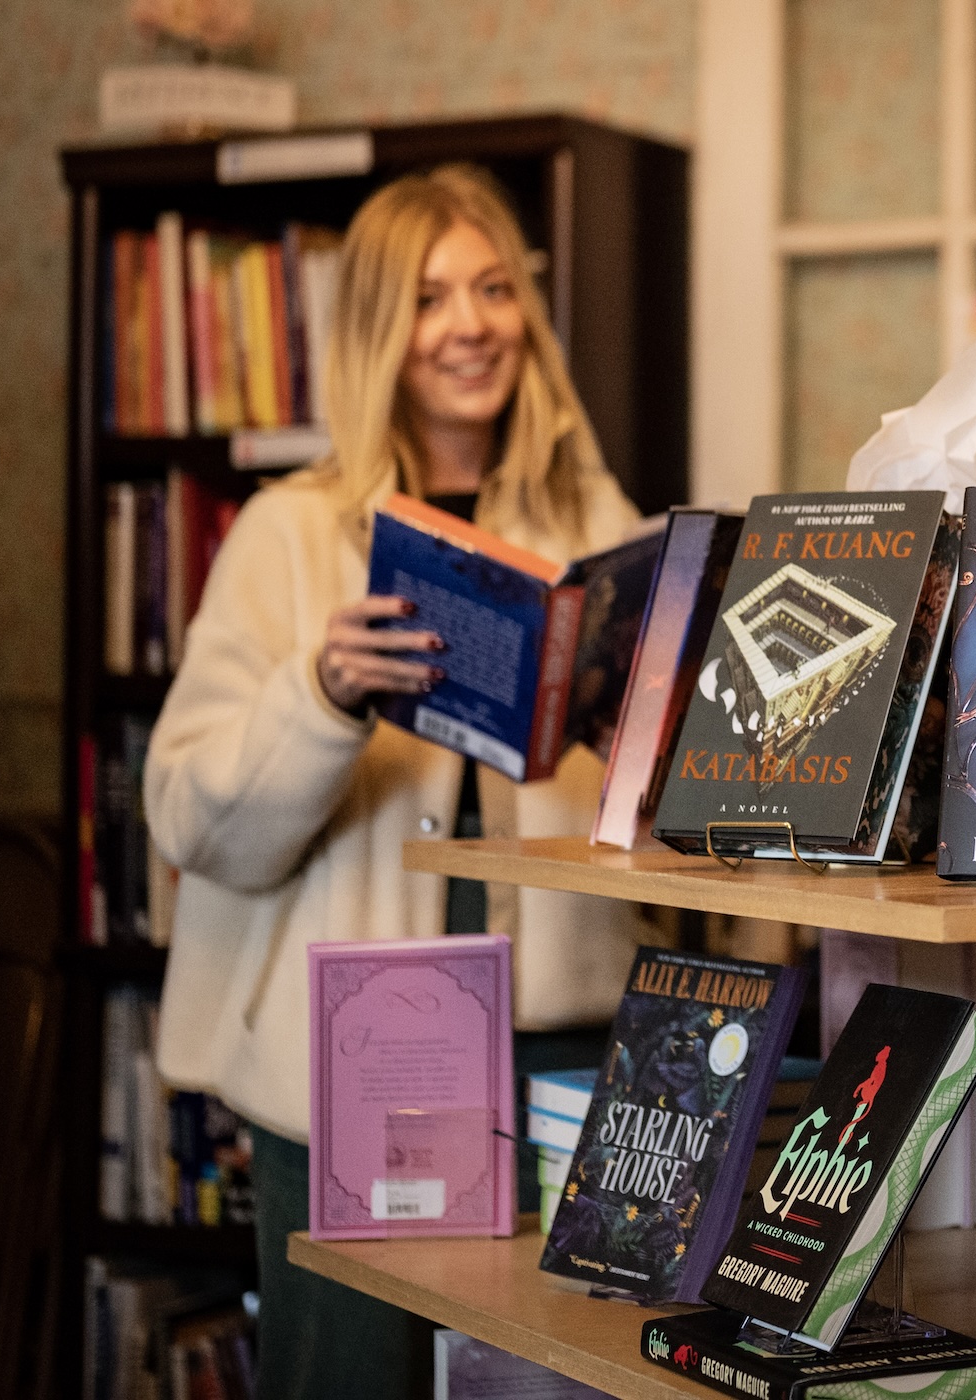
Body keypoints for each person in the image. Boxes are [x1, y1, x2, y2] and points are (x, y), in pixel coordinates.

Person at [144, 164, 657, 1400]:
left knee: (565, 1377)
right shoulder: (287, 531)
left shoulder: (601, 518)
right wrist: (319, 692)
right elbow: (186, 815)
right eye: (430, 298)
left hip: (573, 1055)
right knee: (348, 1380)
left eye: (494, 288)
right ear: (378, 325)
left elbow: (678, 804)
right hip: (350, 1066)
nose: (472, 323)